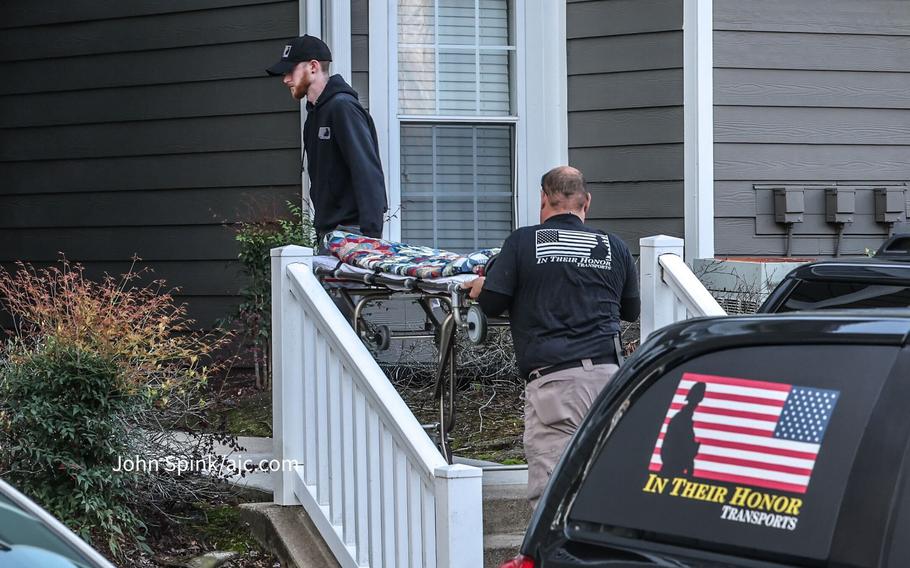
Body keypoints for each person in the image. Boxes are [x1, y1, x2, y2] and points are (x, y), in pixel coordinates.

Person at [463, 166, 640, 508]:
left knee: (554, 498)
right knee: (607, 489)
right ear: (586, 201)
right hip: (610, 381)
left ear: (543, 198)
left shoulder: (523, 242)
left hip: (557, 386)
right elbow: (630, 311)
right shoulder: (613, 246)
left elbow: (494, 302)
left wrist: (483, 288)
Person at [267, 35, 387, 250]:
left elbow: (367, 171)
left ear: (313, 67)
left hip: (354, 235)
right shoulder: (314, 114)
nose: (285, 79)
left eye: (290, 71)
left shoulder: (342, 107)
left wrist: (371, 241)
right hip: (329, 232)